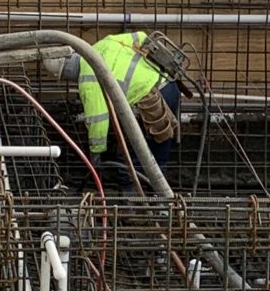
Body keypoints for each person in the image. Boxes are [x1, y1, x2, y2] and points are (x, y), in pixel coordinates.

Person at [51, 30, 184, 184]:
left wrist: (96, 155)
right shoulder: (103, 43)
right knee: (159, 148)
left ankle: (131, 200)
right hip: (170, 84)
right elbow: (141, 37)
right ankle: (162, 199)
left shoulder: (87, 78)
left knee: (129, 158)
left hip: (149, 102)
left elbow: (98, 121)